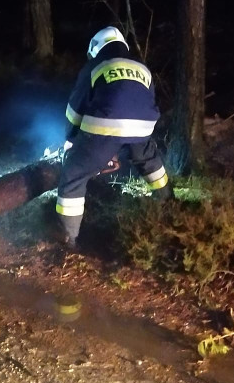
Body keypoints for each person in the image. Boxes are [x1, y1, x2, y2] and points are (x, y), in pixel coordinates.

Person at [56, 26, 173, 247]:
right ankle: (170, 203)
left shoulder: (95, 66)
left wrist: (71, 140)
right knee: (150, 162)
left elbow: (75, 110)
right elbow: (141, 102)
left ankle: (67, 239)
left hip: (105, 127)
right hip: (144, 127)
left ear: (96, 48)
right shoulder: (142, 67)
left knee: (73, 175)